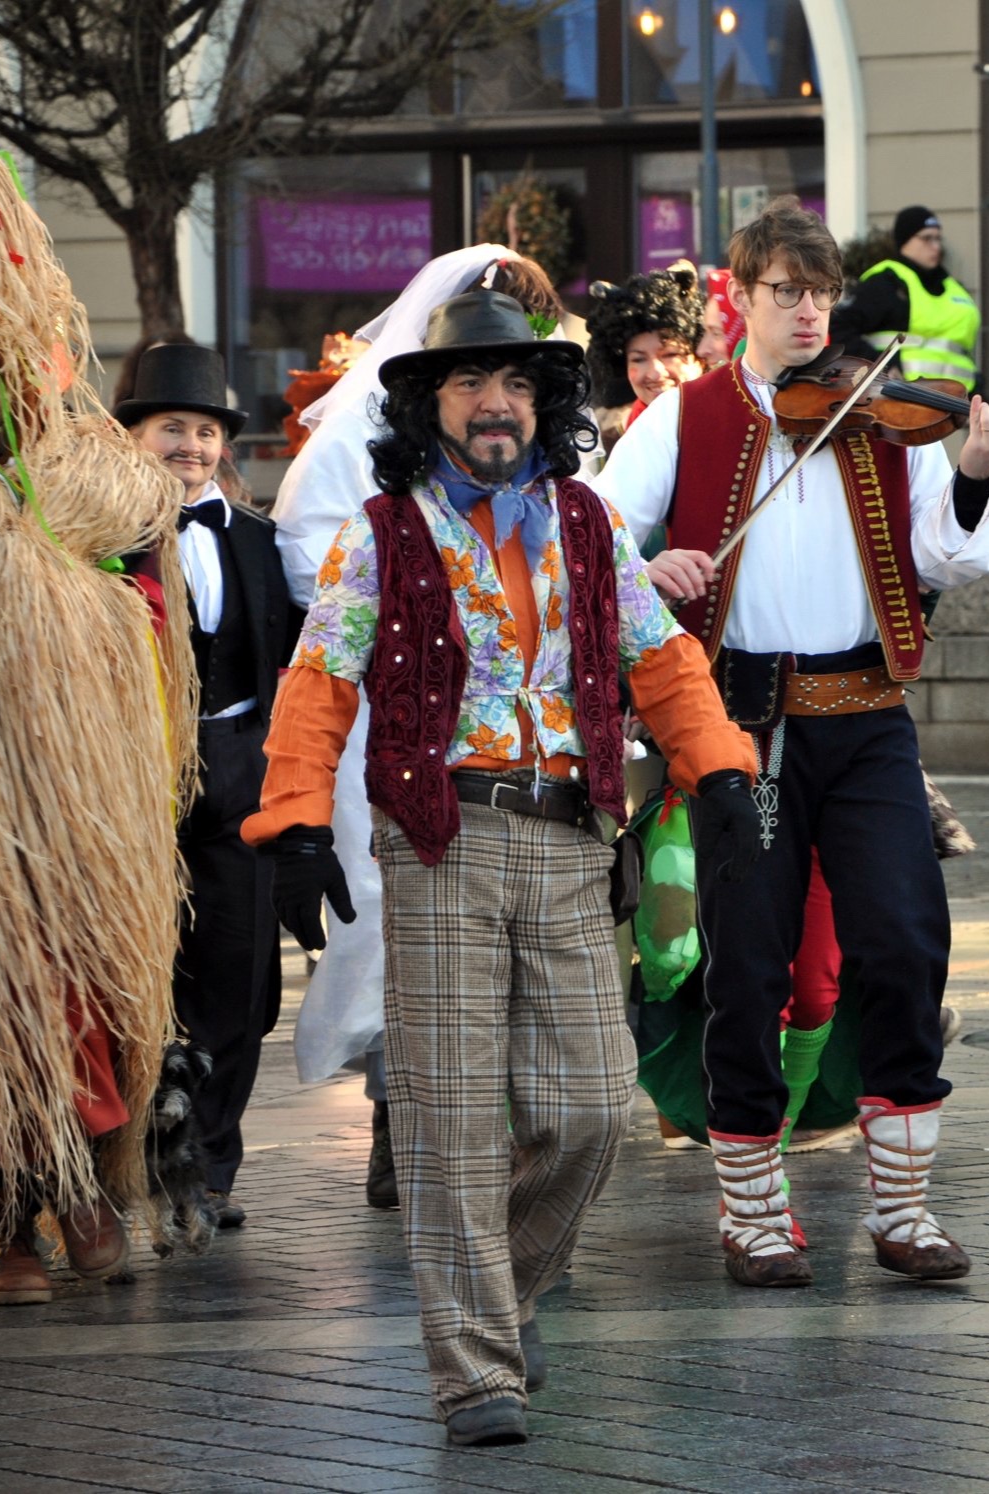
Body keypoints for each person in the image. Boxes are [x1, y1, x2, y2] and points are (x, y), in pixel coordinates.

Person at [243, 288, 760, 1446]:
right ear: (429, 404)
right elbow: (318, 681)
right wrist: (296, 822)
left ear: (544, 404)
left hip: (572, 838)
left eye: (517, 383)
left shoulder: (585, 522)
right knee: (450, 1117)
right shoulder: (381, 533)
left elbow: (660, 657)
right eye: (470, 382)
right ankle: (475, 1367)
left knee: (591, 1108)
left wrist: (721, 771)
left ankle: (501, 1294)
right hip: (441, 841)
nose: (495, 404)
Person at [592, 197, 989, 1290]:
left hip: (868, 716)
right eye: (786, 292)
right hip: (741, 724)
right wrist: (648, 568)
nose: (808, 313)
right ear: (739, 298)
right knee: (746, 963)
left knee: (905, 944)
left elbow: (951, 557)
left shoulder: (876, 411)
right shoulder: (684, 415)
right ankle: (751, 1209)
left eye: (822, 293)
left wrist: (976, 470)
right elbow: (590, 533)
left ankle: (903, 1208)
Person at [0, 88, 189, 1307]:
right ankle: (3, 1221)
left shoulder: (78, 473)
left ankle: (78, 1186)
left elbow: (147, 594)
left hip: (62, 809)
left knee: (70, 980)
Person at [271, 247, 563, 1210]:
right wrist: (415, 600)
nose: (493, 393)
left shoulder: (542, 457)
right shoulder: (366, 434)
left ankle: (507, 1131)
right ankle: (403, 1118)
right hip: (395, 719)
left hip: (521, 748)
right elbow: (311, 554)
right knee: (398, 917)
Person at [117, 343, 302, 1228]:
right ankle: (127, 1162)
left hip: (240, 764)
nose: (190, 446)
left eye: (205, 431)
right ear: (133, 437)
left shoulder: (262, 542)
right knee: (136, 970)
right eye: (171, 428)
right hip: (127, 772)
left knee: (239, 970)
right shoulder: (95, 540)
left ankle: (210, 1168)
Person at [830, 205, 980, 389]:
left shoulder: (954, 289)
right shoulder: (886, 282)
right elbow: (839, 327)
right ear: (905, 241)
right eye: (927, 238)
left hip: (958, 398)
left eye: (938, 239)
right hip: (901, 397)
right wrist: (880, 365)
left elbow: (962, 353)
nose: (936, 247)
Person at [584, 265, 708, 437]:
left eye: (670, 354)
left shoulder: (734, 419)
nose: (655, 373)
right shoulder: (620, 440)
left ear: (700, 358)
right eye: (638, 359)